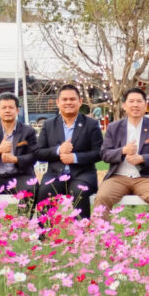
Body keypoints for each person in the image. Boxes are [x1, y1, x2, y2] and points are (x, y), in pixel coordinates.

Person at [93, 88, 149, 215]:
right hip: (118, 177)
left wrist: (141, 158)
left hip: (147, 177)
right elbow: (105, 154)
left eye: (139, 101)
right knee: (102, 197)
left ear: (145, 105)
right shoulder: (113, 127)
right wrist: (123, 150)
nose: (135, 105)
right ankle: (101, 229)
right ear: (124, 105)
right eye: (131, 101)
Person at [34, 84, 103, 220]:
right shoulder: (49, 125)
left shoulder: (91, 124)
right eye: (64, 99)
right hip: (54, 174)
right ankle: (45, 231)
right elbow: (38, 153)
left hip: (83, 174)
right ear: (58, 102)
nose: (68, 102)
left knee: (79, 192)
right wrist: (58, 150)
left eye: (72, 99)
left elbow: (99, 153)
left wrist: (75, 157)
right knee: (45, 191)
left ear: (80, 101)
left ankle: (80, 231)